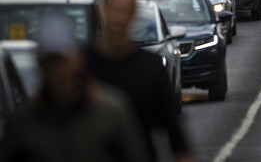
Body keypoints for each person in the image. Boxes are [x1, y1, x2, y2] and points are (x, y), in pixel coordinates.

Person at [0, 13, 149, 162]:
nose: (56, 69)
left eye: (62, 60)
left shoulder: (111, 113)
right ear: (39, 63)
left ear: (78, 58)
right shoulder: (22, 122)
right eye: (49, 61)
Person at [87, 0, 192, 162]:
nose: (118, 18)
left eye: (125, 10)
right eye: (114, 8)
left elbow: (173, 129)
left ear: (134, 15)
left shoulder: (150, 66)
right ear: (102, 9)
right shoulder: (82, 65)